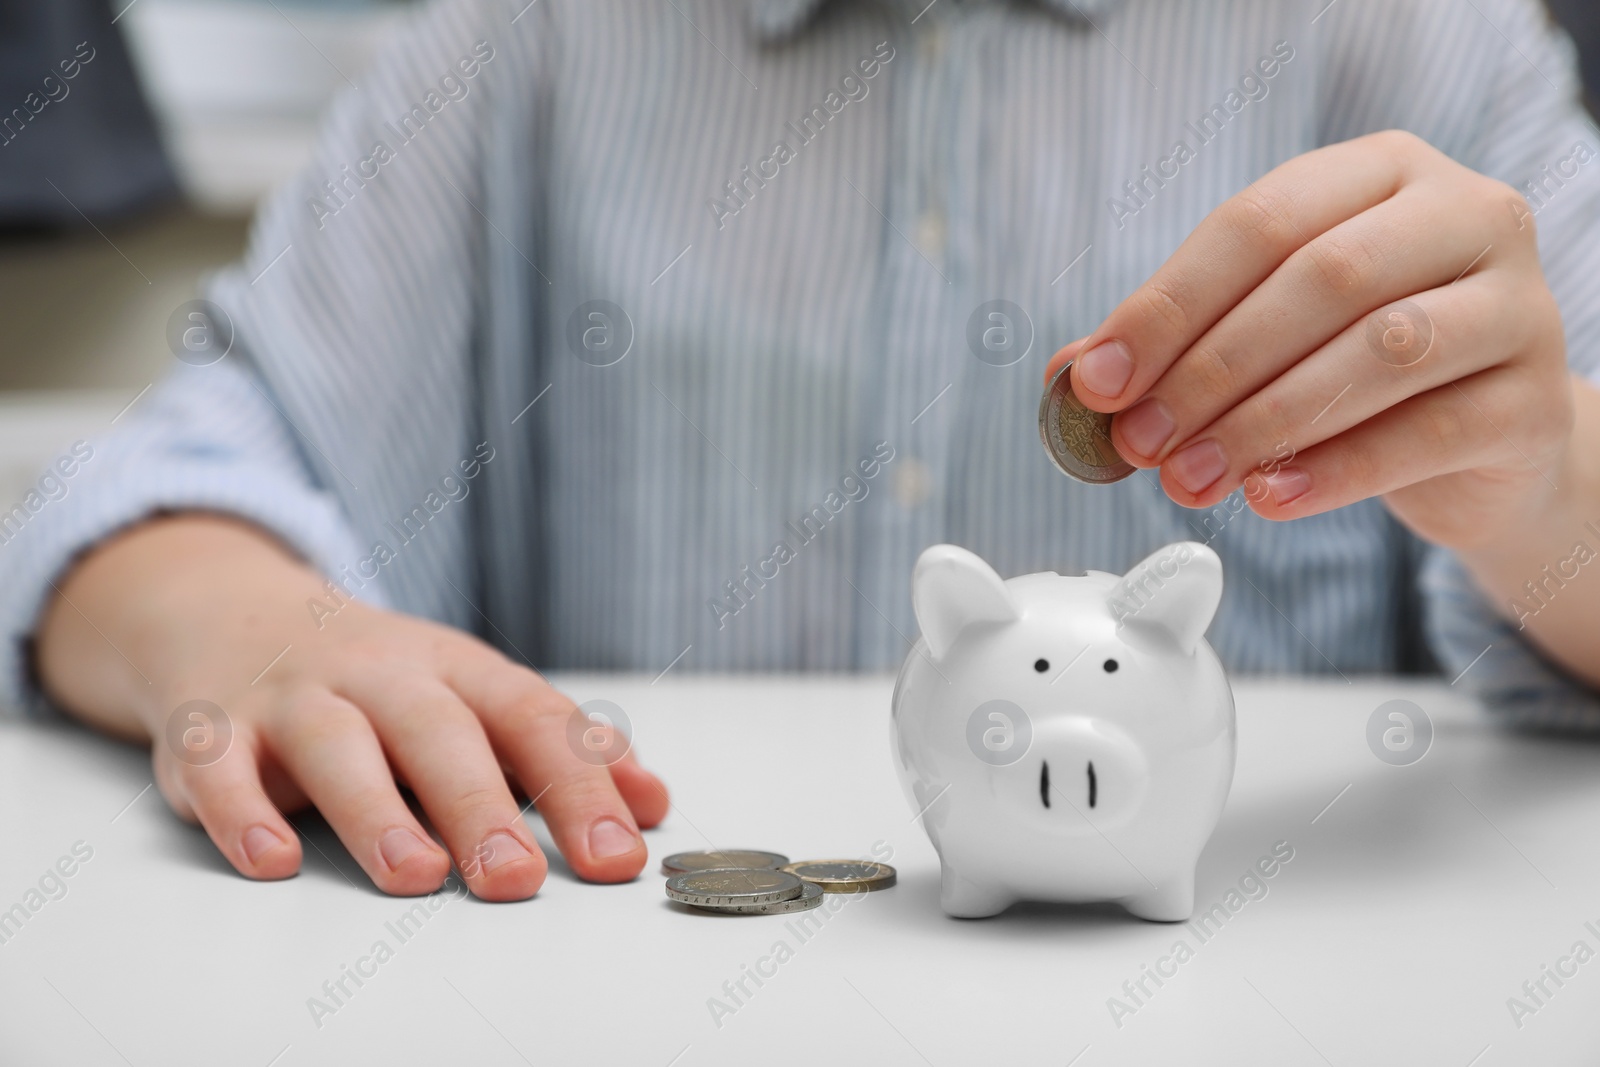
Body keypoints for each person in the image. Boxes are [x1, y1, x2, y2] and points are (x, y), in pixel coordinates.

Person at [3, 0, 1598, 903]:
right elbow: (178, 475)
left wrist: (1541, 494)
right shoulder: (520, 43)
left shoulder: (1426, 47)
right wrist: (235, 624)